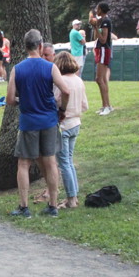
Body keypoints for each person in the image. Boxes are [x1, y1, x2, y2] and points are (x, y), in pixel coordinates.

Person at [6, 29, 70, 218]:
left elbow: (9, 99)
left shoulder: (17, 69)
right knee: (50, 161)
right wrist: (62, 109)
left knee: (24, 163)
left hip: (28, 122)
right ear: (41, 46)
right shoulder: (50, 67)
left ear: (25, 46)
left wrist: (22, 100)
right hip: (49, 120)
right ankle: (53, 206)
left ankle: (24, 207)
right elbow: (66, 91)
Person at [53, 51, 88, 209]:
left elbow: (56, 101)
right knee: (69, 161)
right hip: (76, 123)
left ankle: (71, 199)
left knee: (64, 163)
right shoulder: (79, 80)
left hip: (63, 125)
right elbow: (85, 105)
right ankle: (74, 195)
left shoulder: (60, 82)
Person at [89, 1, 113, 114]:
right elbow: (95, 37)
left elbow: (103, 40)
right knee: (102, 79)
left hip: (103, 49)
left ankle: (106, 106)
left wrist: (95, 27)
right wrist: (95, 26)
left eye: (97, 8)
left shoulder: (106, 21)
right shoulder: (101, 21)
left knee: (99, 79)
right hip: (100, 49)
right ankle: (106, 105)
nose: (96, 10)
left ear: (101, 10)